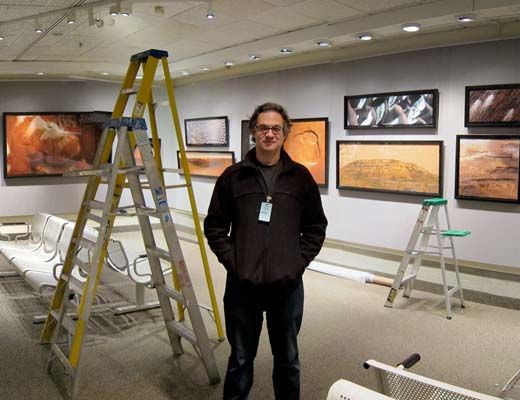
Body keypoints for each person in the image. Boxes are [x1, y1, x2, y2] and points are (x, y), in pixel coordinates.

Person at [204, 102, 328, 400]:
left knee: (287, 361)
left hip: (286, 288)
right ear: (253, 132)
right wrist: (236, 264)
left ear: (285, 133)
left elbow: (315, 227)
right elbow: (215, 227)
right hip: (242, 288)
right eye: (263, 128)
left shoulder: (300, 178)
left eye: (275, 128)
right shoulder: (232, 178)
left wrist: (295, 264)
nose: (269, 134)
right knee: (241, 360)